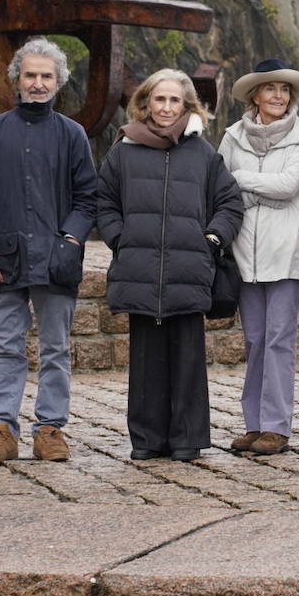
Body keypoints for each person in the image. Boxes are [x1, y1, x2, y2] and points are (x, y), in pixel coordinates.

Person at [0, 37, 97, 464]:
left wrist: (72, 240)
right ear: (17, 78)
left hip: (57, 259)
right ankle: (2, 427)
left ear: (59, 82)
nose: (38, 83)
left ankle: (51, 428)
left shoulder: (73, 135)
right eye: (31, 75)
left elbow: (88, 198)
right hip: (2, 260)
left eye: (46, 76)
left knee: (55, 347)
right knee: (5, 346)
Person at [97, 69, 243, 461]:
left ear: (187, 105)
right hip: (141, 268)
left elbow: (230, 203)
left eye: (174, 100)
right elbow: (104, 202)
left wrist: (212, 238)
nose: (165, 107)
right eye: (159, 100)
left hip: (188, 269)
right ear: (145, 103)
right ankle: (146, 440)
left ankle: (186, 439)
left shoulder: (203, 153)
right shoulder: (124, 150)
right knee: (145, 359)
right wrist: (119, 238)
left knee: (187, 359)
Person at [219, 59, 299, 455]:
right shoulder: (231, 137)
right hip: (243, 253)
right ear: (254, 95)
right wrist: (259, 190)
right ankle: (254, 424)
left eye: (284, 90)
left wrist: (243, 182)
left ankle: (277, 426)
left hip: (285, 253)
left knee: (279, 339)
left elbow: (290, 185)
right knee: (255, 339)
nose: (278, 96)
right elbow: (217, 186)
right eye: (270, 89)